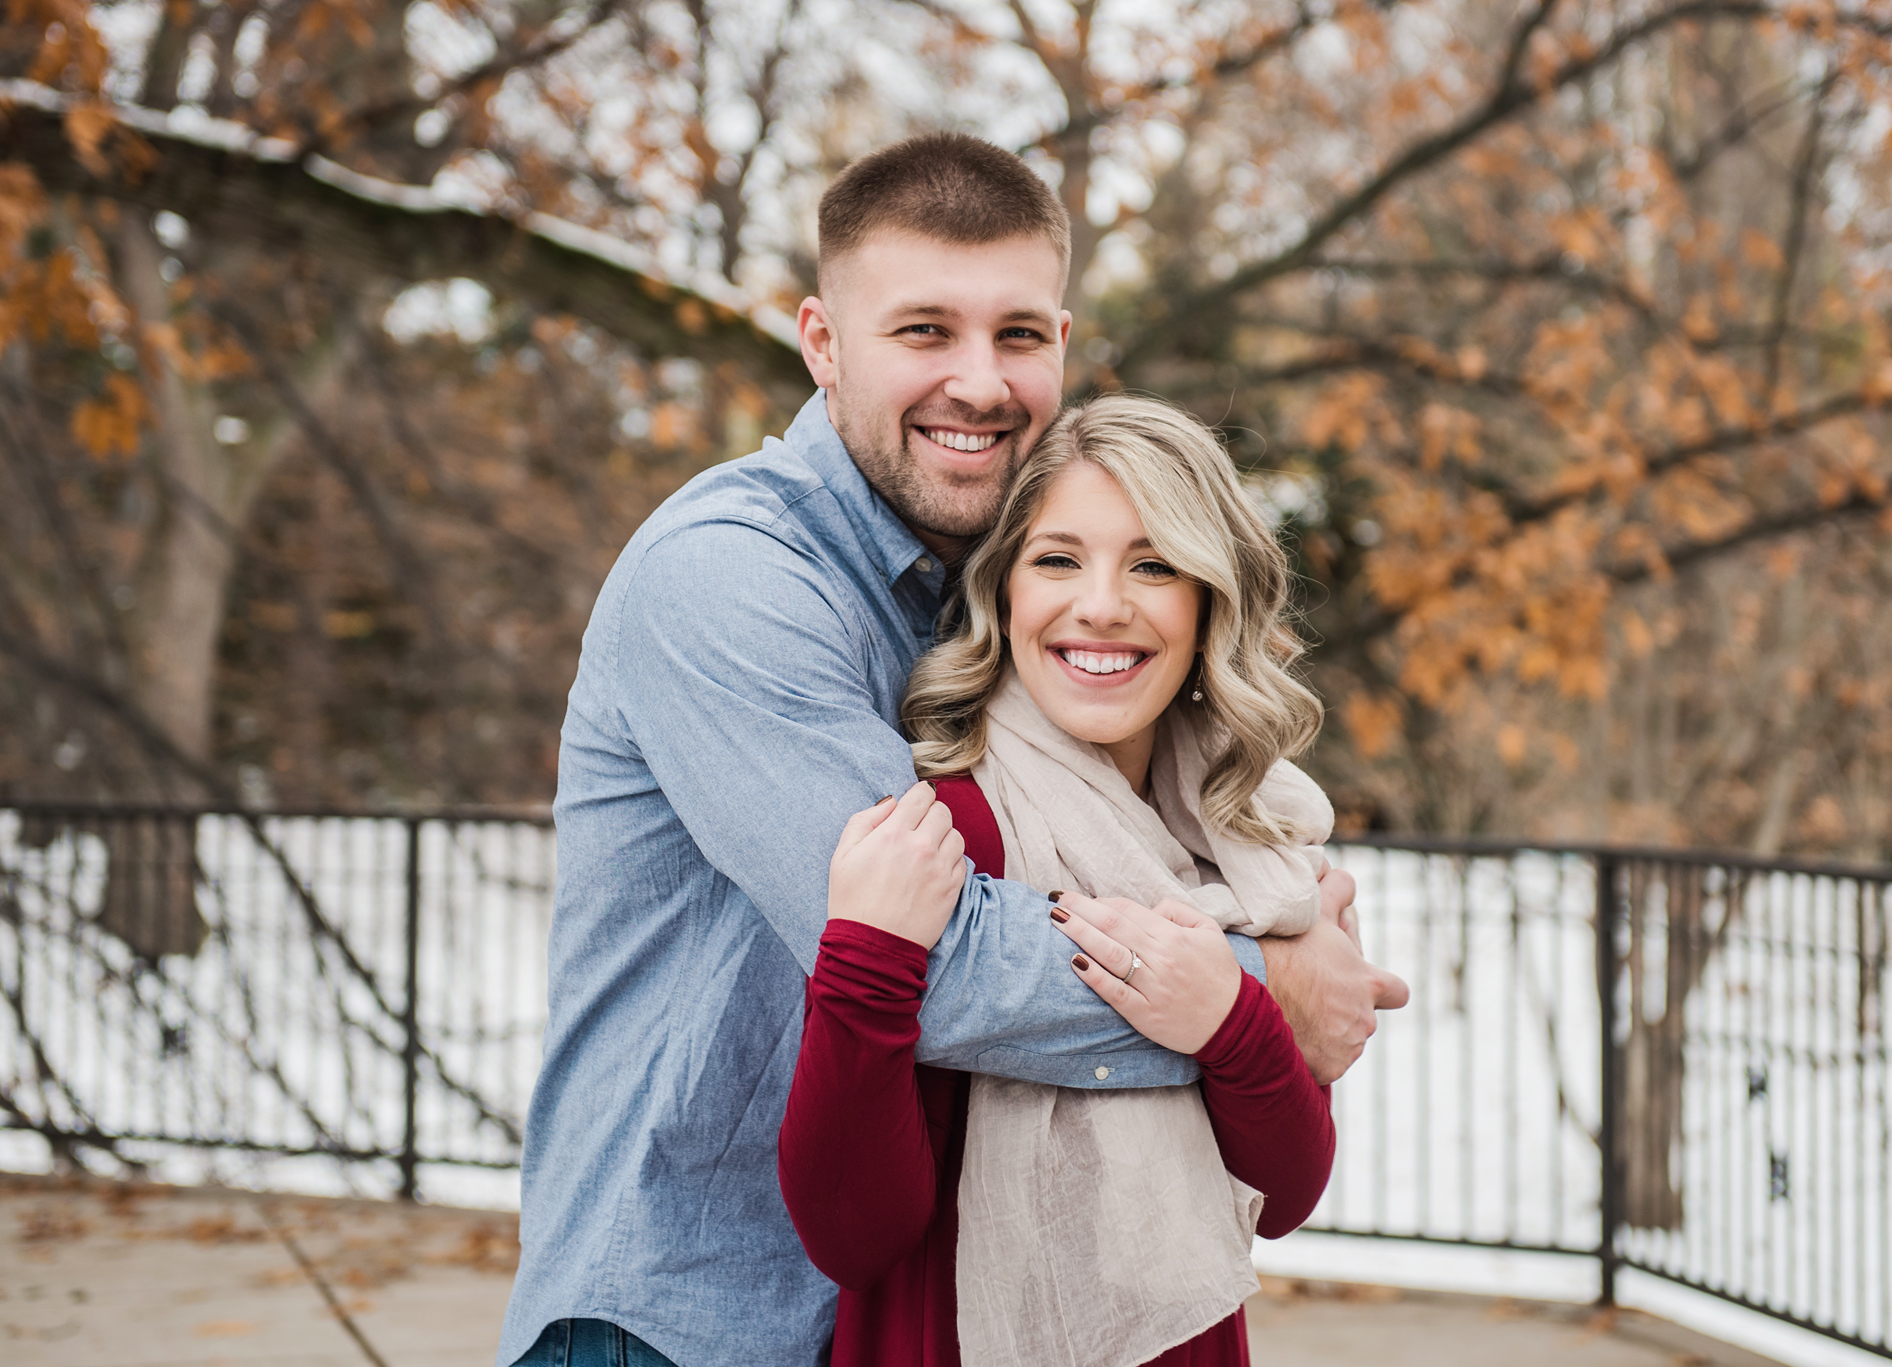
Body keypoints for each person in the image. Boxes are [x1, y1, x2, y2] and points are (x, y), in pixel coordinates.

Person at [499, 133, 1407, 1367]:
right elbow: (938, 959)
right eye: (922, 331)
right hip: (680, 1310)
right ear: (820, 343)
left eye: (1018, 335)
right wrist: (1255, 987)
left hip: (890, 1316)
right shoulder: (727, 574)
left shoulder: (989, 586)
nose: (978, 382)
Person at [780, 393, 1352, 1367]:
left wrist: (1231, 1013)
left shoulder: (1254, 843)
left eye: (1152, 563)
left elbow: (1284, 1196)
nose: (1100, 604)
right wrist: (865, 965)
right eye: (1057, 559)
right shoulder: (944, 829)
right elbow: (851, 1230)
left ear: (1208, 596)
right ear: (1003, 591)